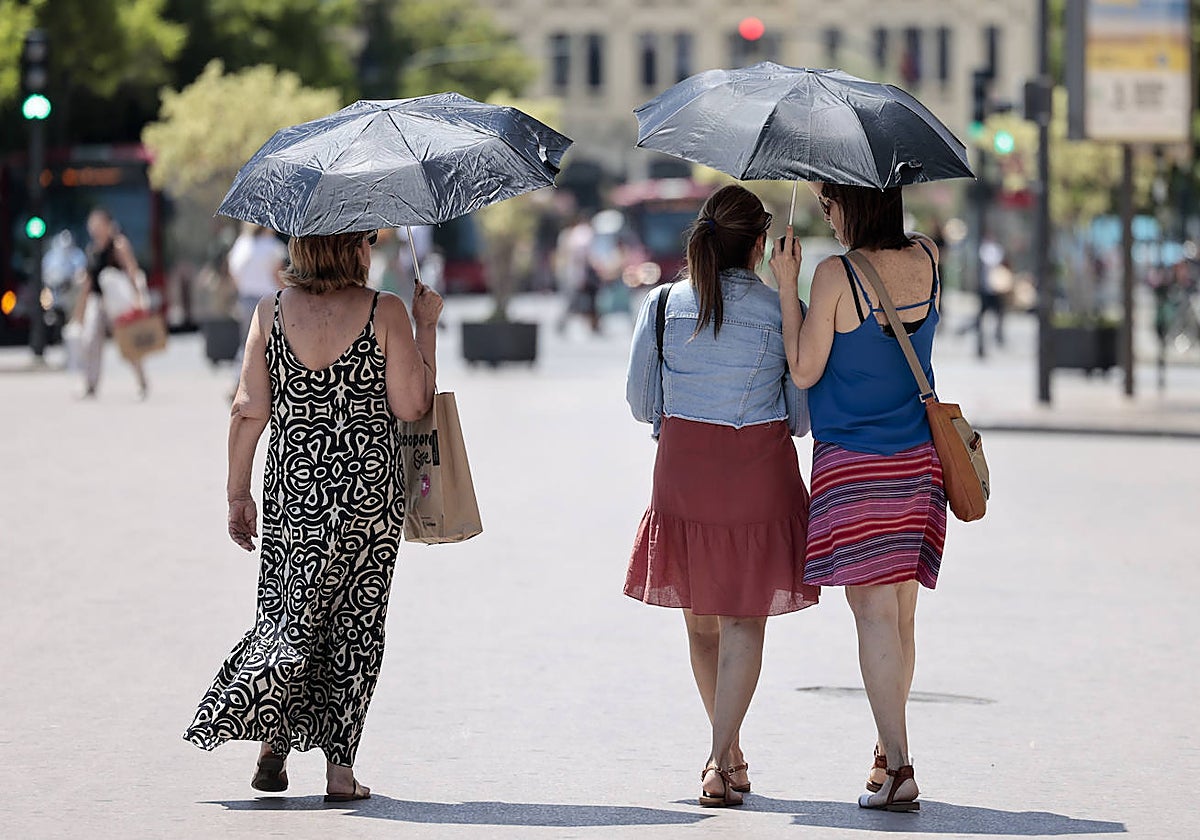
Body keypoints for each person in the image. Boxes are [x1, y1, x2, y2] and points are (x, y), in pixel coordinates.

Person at [183, 229, 444, 801]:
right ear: (353, 250)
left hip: (293, 498)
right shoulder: (386, 310)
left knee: (288, 616)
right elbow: (412, 404)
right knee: (354, 627)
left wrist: (237, 492)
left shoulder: (271, 311)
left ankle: (272, 745)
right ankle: (340, 771)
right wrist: (427, 326)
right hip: (366, 501)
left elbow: (248, 408)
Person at [625, 184, 819, 808]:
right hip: (757, 466)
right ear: (762, 244)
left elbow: (639, 403)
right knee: (744, 618)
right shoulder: (778, 310)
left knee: (700, 619)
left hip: (683, 467)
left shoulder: (660, 306)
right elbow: (799, 416)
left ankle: (726, 750)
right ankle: (719, 752)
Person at [772, 182, 948, 813]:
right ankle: (886, 748)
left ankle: (900, 766)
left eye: (829, 204)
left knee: (874, 617)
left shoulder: (833, 276)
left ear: (853, 205)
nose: (827, 214)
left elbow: (803, 368)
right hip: (919, 463)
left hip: (855, 469)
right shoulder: (928, 256)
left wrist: (787, 290)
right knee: (899, 615)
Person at [70, 207, 149, 398]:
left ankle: (141, 381)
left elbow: (132, 269)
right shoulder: (92, 250)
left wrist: (139, 298)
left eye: (98, 224)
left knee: (127, 342)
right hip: (98, 302)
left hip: (118, 302)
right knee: (90, 342)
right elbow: (88, 284)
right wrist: (79, 311)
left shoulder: (118, 245)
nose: (95, 229)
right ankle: (90, 384)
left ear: (107, 224)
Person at [226, 223, 287, 389]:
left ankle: (238, 381)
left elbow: (233, 272)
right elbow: (278, 276)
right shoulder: (273, 246)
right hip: (270, 299)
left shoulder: (242, 244)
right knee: (273, 342)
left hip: (246, 298)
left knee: (247, 342)